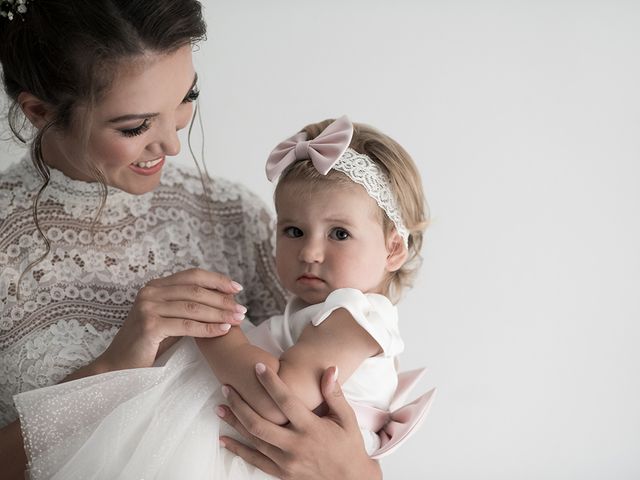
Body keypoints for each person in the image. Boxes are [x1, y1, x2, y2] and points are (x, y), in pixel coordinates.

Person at [0, 1, 383, 479]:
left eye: (187, 96)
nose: (173, 144)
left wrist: (356, 473)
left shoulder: (237, 216)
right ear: (38, 111)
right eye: (135, 126)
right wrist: (114, 367)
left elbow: (334, 405)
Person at [12, 115, 435, 479]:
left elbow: (276, 399)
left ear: (393, 249)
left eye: (339, 234)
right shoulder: (321, 312)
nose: (309, 251)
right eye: (293, 231)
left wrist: (215, 329)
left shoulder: (356, 316)